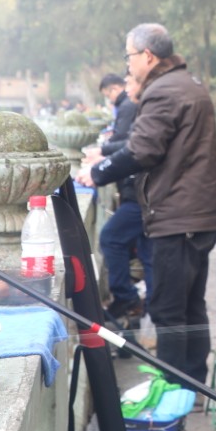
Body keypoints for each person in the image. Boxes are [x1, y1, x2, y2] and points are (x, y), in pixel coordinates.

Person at [89, 23, 216, 384]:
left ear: (147, 56)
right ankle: (193, 386)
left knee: (168, 309)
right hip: (196, 214)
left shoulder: (164, 90)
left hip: (178, 216)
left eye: (129, 56)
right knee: (191, 305)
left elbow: (143, 150)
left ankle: (173, 390)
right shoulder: (186, 83)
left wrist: (97, 172)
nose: (128, 64)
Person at [82, 72, 154, 322]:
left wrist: (99, 168)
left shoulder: (134, 107)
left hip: (144, 195)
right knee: (147, 253)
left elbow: (132, 148)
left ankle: (128, 298)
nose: (126, 89)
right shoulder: (141, 107)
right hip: (144, 194)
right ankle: (148, 307)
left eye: (130, 83)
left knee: (111, 238)